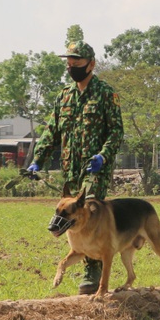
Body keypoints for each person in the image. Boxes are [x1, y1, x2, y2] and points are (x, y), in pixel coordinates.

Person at [29, 40, 124, 294]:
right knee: (70, 219)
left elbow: (116, 133)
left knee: (91, 213)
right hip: (70, 170)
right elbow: (51, 132)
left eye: (77, 62)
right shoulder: (64, 96)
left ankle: (93, 268)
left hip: (95, 170)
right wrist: (38, 159)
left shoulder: (106, 94)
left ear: (91, 64)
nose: (71, 66)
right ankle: (81, 256)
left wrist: (103, 156)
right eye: (69, 62)